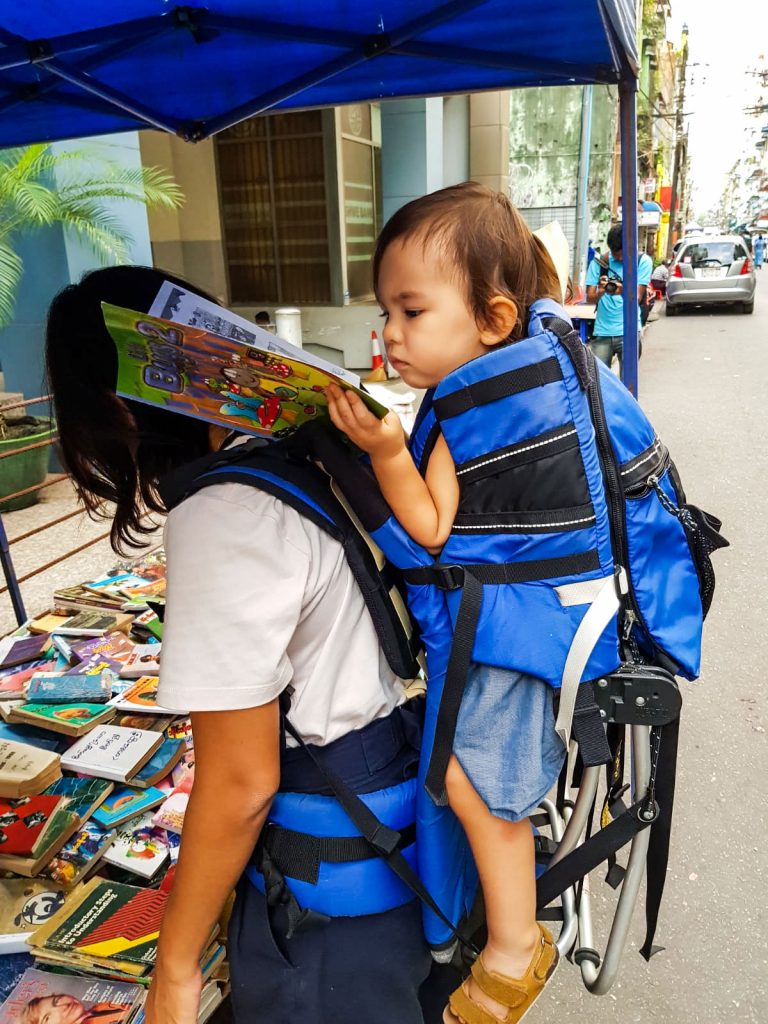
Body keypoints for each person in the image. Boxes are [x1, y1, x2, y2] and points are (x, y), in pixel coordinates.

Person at [44, 266, 453, 1024]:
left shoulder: (225, 512)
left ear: (111, 403)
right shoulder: (304, 453)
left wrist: (172, 969)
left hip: (326, 903)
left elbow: (241, 785)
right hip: (388, 829)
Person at [326, 182, 563, 1024]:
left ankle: (515, 946)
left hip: (503, 641)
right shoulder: (505, 386)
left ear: (492, 320)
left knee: (477, 791)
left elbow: (428, 528)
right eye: (385, 310)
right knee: (470, 784)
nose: (389, 333)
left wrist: (387, 450)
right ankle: (495, 928)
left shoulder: (475, 410)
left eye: (411, 311)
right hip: (512, 628)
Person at [585, 223, 653, 374]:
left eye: (622, 254)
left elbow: (637, 297)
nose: (619, 258)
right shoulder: (599, 262)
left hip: (628, 330)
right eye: (615, 254)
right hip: (602, 331)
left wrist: (623, 290)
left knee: (628, 383)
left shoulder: (642, 262)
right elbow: (589, 298)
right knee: (598, 382)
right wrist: (600, 292)